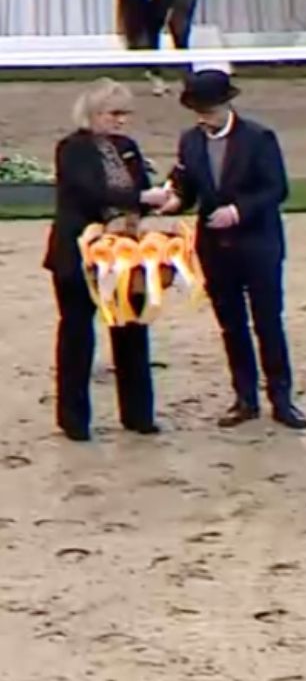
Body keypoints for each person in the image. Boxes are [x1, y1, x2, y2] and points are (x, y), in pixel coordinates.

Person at [163, 68, 306, 431]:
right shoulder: (190, 141)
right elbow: (187, 187)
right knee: (231, 325)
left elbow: (276, 189)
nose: (203, 118)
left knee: (267, 322)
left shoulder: (259, 138)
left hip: (258, 245)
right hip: (214, 246)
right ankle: (245, 397)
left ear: (227, 104)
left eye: (209, 110)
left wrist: (238, 211)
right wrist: (173, 201)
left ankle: (281, 398)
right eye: (198, 111)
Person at [43, 78, 174, 441]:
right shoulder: (71, 148)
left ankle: (138, 414)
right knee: (76, 333)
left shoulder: (127, 147)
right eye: (114, 113)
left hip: (123, 251)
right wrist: (141, 196)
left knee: (132, 328)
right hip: (79, 253)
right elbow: (90, 190)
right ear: (93, 113)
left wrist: (155, 197)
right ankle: (74, 419)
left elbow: (138, 185)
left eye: (125, 114)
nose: (121, 121)